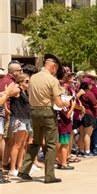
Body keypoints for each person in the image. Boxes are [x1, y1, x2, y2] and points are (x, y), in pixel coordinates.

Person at [18, 54, 69, 183]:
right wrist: (66, 103)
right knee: (51, 144)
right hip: (47, 112)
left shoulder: (33, 78)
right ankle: (49, 175)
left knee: (36, 142)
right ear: (53, 66)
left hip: (34, 111)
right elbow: (58, 103)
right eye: (56, 69)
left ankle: (24, 171)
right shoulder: (52, 80)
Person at [8, 74, 32, 176]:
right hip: (19, 118)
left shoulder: (25, 92)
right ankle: (12, 168)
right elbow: (7, 94)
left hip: (26, 118)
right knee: (17, 144)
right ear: (20, 82)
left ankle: (20, 166)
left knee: (22, 144)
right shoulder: (18, 89)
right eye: (26, 81)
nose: (28, 83)